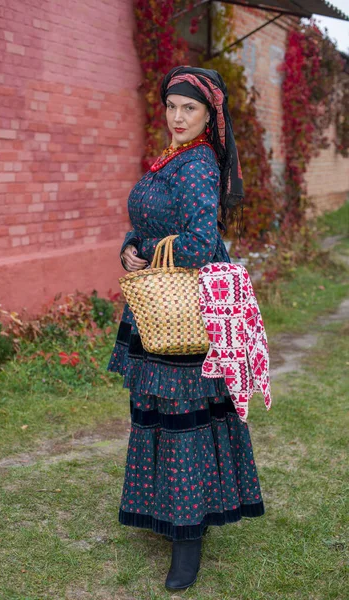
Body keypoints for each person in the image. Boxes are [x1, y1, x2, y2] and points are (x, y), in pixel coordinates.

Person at [108, 66, 265, 591]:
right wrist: (131, 245)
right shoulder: (170, 158)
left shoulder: (197, 163)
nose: (177, 117)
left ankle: (188, 542)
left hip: (185, 308)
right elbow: (157, 222)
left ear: (208, 115)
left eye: (189, 108)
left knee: (185, 419)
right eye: (171, 106)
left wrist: (148, 252)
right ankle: (171, 514)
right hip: (158, 300)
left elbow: (198, 243)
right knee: (160, 414)